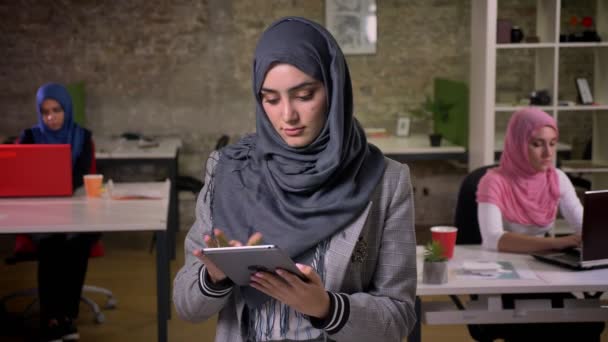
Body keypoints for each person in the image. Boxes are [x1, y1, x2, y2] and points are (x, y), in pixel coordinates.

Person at [173, 17, 417, 342]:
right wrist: (213, 279)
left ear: (333, 89)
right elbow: (186, 306)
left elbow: (399, 318)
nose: (287, 115)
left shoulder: (386, 181)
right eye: (271, 99)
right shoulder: (228, 170)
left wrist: (328, 308)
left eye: (303, 95)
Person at [476, 107, 604, 341]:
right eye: (537, 144)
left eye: (553, 143)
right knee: (534, 326)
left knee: (589, 322)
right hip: (503, 276)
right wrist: (558, 243)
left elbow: (585, 226)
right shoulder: (493, 181)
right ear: (518, 143)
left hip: (544, 273)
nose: (548, 153)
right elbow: (494, 238)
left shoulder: (556, 178)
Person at [18, 83, 99, 342]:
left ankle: (67, 315)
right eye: (45, 112)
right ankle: (51, 317)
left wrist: (57, 183)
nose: (50, 117)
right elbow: (21, 175)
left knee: (79, 241)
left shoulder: (82, 137)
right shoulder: (29, 137)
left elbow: (79, 176)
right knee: (52, 244)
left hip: (74, 211)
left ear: (67, 109)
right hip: (39, 213)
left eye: (56, 110)